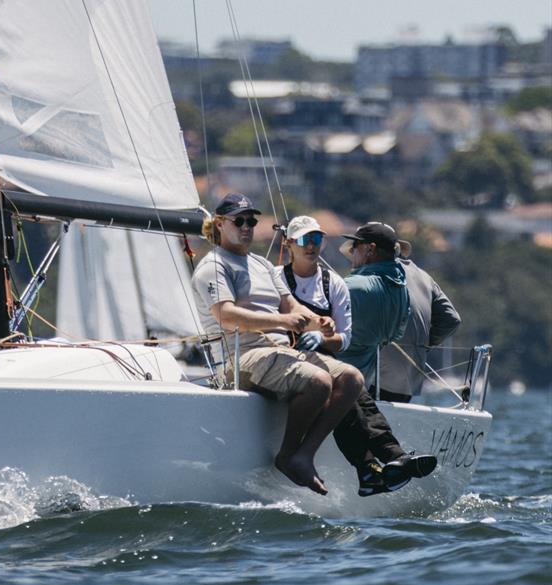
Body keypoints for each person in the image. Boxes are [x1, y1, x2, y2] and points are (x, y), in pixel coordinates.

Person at [191, 194, 364, 496]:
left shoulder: (262, 264)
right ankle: (287, 455)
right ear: (220, 224)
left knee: (352, 379)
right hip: (241, 356)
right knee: (319, 382)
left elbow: (291, 306)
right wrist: (281, 323)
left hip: (280, 353)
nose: (247, 226)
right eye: (239, 221)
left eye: (252, 221)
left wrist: (319, 323)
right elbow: (227, 316)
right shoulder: (213, 266)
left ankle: (303, 454)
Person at [281, 216, 437, 496]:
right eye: (306, 240)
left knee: (346, 387)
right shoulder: (402, 291)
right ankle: (386, 459)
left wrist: (322, 335)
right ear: (289, 244)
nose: (312, 246)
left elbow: (342, 335)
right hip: (312, 364)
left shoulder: (344, 285)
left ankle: (374, 465)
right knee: (348, 386)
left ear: (369, 249)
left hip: (331, 366)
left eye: (317, 239)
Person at [378, 252, 461, 402]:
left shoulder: (373, 273)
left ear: (370, 249)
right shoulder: (425, 277)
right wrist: (425, 344)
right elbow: (452, 319)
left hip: (374, 380)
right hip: (408, 383)